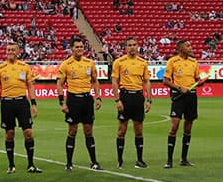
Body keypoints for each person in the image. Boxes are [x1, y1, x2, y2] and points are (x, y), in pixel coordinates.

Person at [0, 41, 41, 174]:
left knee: (28, 133)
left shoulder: (24, 67)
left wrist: (33, 104)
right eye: (8, 50)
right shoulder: (0, 68)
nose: (10, 52)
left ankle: (31, 164)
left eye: (13, 50)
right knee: (9, 134)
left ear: (18, 52)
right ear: (5, 52)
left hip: (22, 102)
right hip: (7, 103)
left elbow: (30, 86)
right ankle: (11, 165)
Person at [56, 39, 103, 171]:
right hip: (73, 100)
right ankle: (69, 163)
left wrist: (98, 97)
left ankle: (94, 162)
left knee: (89, 131)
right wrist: (62, 102)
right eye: (76, 47)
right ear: (71, 49)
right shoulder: (66, 64)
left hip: (87, 100)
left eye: (81, 47)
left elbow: (95, 81)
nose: (79, 49)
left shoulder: (89, 63)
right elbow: (59, 84)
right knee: (72, 131)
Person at [111, 37, 151, 168]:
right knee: (121, 130)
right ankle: (119, 160)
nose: (132, 47)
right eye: (129, 45)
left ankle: (139, 160)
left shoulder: (143, 62)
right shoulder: (119, 62)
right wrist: (117, 100)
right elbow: (115, 81)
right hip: (125, 96)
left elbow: (146, 81)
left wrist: (149, 99)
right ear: (126, 47)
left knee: (139, 130)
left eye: (134, 45)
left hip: (138, 97)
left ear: (137, 46)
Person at [166, 39, 205, 168]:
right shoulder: (173, 61)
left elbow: (197, 79)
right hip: (178, 96)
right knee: (174, 127)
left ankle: (184, 159)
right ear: (180, 48)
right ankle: (169, 160)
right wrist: (178, 88)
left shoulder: (194, 62)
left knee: (188, 128)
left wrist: (200, 82)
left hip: (192, 96)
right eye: (188, 46)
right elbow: (165, 81)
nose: (191, 47)